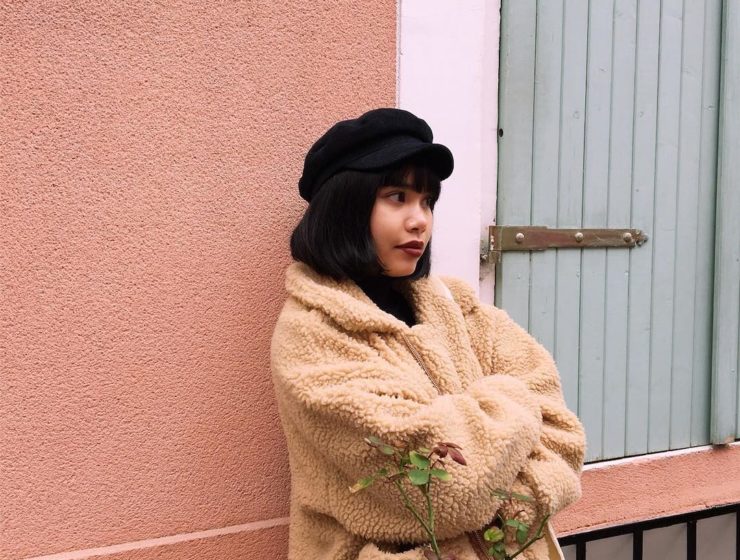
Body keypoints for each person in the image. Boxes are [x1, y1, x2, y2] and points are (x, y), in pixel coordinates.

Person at [270, 108, 585, 560]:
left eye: (427, 201)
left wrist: (513, 500)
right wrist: (511, 398)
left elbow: (564, 434)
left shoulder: (455, 305)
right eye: (397, 197)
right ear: (345, 205)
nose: (419, 220)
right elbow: (447, 489)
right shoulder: (313, 340)